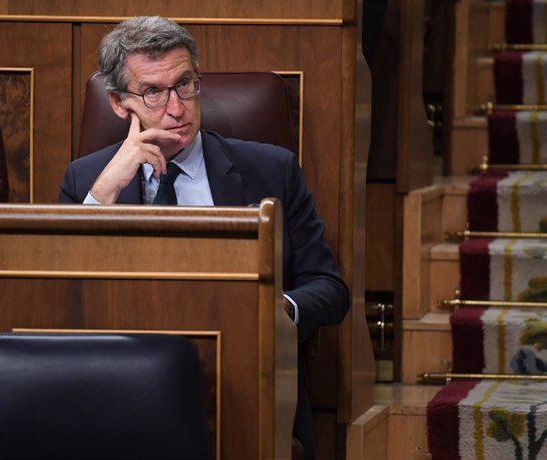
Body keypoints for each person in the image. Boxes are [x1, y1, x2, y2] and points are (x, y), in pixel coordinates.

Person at [58, 15, 350, 460]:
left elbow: (329, 289)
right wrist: (106, 191)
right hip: (119, 385)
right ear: (119, 103)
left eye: (185, 84)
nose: (176, 109)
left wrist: (273, 312)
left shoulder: (271, 170)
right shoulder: (87, 181)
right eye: (153, 92)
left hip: (240, 380)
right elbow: (57, 293)